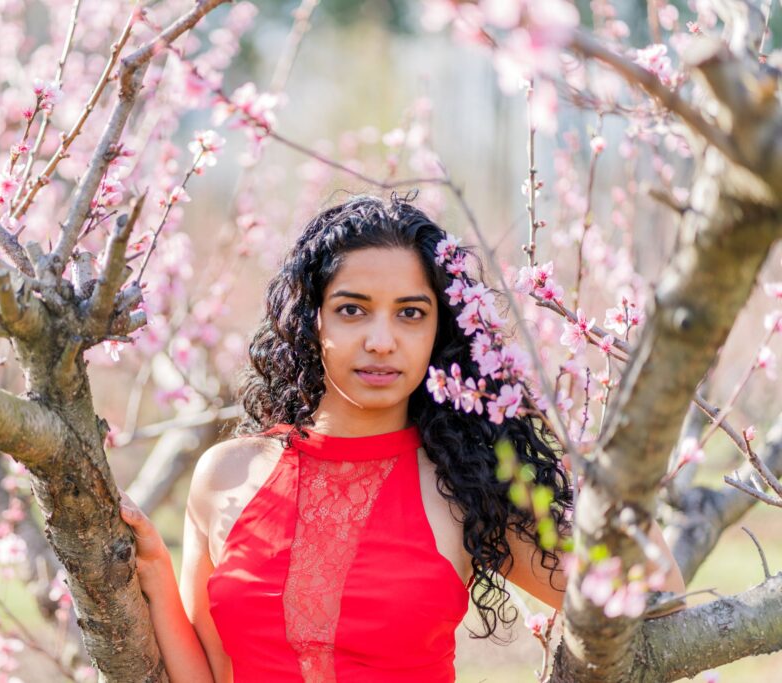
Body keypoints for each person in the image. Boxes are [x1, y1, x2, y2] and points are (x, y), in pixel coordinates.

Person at [118, 193, 686, 682]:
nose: (382, 340)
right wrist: (155, 575)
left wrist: (603, 466)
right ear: (312, 318)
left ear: (442, 329)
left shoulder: (467, 486)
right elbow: (213, 676)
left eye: (411, 313)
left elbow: (656, 596)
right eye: (352, 310)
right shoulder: (226, 475)